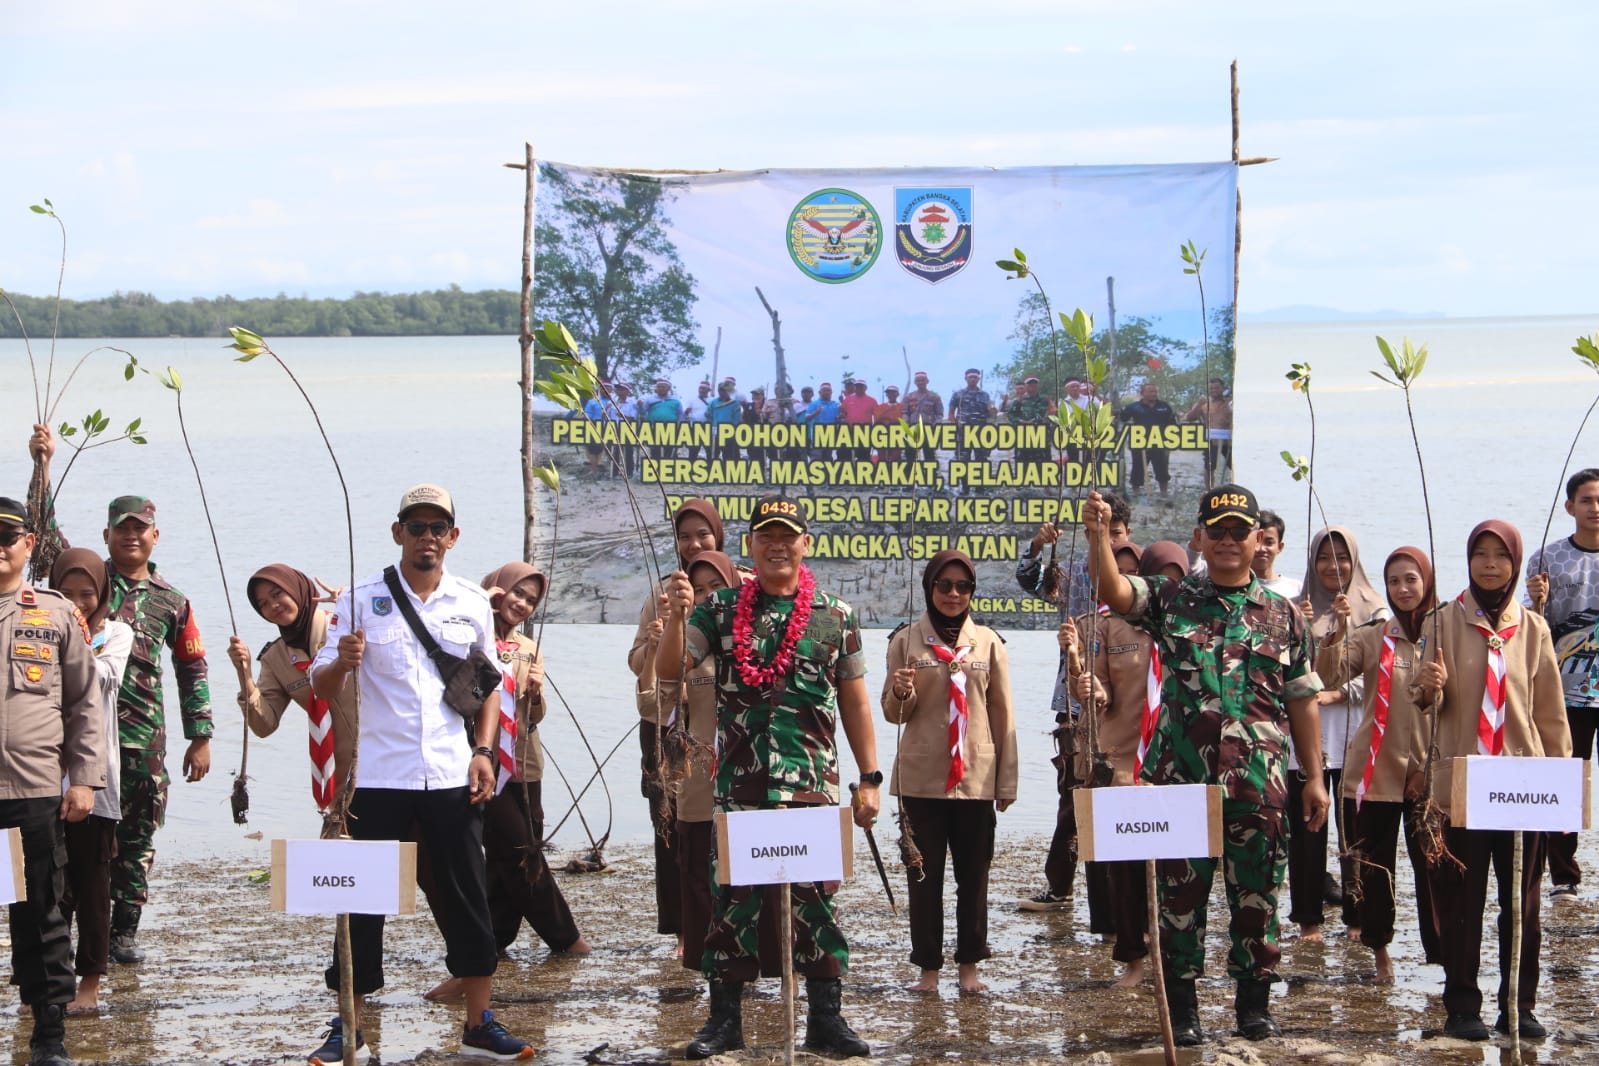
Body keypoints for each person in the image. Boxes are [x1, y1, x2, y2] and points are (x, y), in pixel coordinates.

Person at [1086, 484, 1328, 1045]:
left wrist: (1313, 777)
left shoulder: (1283, 615)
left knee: (1258, 897)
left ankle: (1253, 1007)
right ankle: (1184, 1009)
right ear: (1199, 537)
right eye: (1215, 531)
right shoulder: (1172, 599)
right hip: (1182, 780)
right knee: (1179, 901)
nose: (1227, 541)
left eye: (1238, 532)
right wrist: (1099, 534)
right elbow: (1114, 590)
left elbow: (1302, 697)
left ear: (1256, 540)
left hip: (1260, 784)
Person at [304, 484, 533, 1063]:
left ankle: (479, 1023)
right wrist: (343, 663)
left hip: (452, 773)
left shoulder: (470, 603)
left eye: (438, 528)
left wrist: (484, 751)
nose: (426, 537)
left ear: (452, 538)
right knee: (362, 902)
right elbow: (320, 686)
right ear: (397, 532)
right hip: (379, 775)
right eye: (416, 526)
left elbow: (486, 686)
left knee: (466, 895)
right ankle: (347, 1026)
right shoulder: (360, 600)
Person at [657, 495, 881, 1059]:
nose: (777, 545)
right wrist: (678, 617)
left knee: (816, 903)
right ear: (751, 546)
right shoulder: (720, 609)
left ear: (806, 544)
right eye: (766, 537)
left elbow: (855, 703)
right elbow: (668, 671)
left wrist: (870, 778)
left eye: (788, 537)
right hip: (741, 788)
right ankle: (723, 1022)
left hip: (811, 788)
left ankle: (826, 1021)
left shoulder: (837, 615)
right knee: (733, 902)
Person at [30, 422, 214, 967]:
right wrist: (42, 463)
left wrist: (200, 736)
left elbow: (192, 668)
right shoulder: (82, 580)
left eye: (141, 528)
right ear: (107, 534)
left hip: (142, 741)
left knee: (136, 841)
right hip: (77, 737)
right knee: (71, 835)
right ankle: (62, 931)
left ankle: (122, 932)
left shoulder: (171, 600)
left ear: (155, 536)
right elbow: (41, 532)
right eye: (122, 528)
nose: (132, 536)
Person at [1415, 520, 1570, 1042]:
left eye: (1500, 556)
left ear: (1515, 564)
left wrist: (1563, 787)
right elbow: (1422, 701)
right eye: (1480, 554)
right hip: (1463, 783)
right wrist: (1428, 686)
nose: (1489, 564)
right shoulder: (1442, 622)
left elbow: (1550, 714)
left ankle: (1517, 1004)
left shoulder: (1533, 628)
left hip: (1523, 784)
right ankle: (1461, 1005)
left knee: (1521, 901)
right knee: (1462, 898)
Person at [636, 551, 778, 983]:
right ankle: (710, 970)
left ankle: (758, 964)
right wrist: (663, 641)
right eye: (697, 590)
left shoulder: (759, 635)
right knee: (698, 875)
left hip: (751, 777)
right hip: (699, 781)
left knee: (754, 875)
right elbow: (652, 703)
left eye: (716, 586)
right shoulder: (684, 644)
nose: (707, 596)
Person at [0, 497, 106, 1066]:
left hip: (32, 792)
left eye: (6, 535)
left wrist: (85, 779)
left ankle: (48, 1037)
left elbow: (86, 702)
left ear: (27, 543)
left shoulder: (56, 613)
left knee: (39, 916)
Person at [882, 550, 1016, 994]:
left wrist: (1007, 779)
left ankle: (970, 968)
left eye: (963, 587)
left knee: (974, 878)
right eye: (945, 586)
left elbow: (1002, 714)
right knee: (923, 879)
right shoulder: (906, 642)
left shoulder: (989, 643)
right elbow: (893, 714)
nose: (954, 594)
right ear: (929, 589)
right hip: (921, 780)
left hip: (976, 778)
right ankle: (928, 970)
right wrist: (901, 692)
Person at [1314, 546, 1442, 983]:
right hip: (1372, 772)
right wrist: (1337, 628)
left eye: (1411, 579)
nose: (1403, 589)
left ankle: (1444, 958)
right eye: (1394, 582)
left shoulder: (1444, 636)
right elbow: (1328, 676)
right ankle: (1380, 953)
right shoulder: (1373, 636)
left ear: (1426, 582)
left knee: (1435, 869)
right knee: (1372, 869)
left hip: (1431, 773)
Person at [1067, 541, 1191, 988]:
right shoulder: (1107, 628)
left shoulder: (1196, 627)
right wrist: (1092, 690)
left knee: (1179, 875)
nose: (1167, 587)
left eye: (1176, 579)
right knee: (1126, 872)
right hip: (1124, 762)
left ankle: (1174, 962)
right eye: (1161, 577)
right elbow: (1096, 688)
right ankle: (1135, 960)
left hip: (1178, 766)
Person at [1013, 495, 1133, 914]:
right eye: (1097, 533)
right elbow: (1030, 581)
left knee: (1122, 796)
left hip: (1129, 710)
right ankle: (1060, 887)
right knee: (1072, 796)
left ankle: (1121, 896)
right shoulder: (1077, 575)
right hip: (1075, 702)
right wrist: (1037, 547)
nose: (1107, 540)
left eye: (1114, 534)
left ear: (1127, 535)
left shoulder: (1137, 581)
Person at [470, 564, 588, 965]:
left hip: (524, 763)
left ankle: (493, 938)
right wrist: (478, 607)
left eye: (530, 600)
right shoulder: (468, 634)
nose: (520, 603)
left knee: (510, 853)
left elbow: (534, 717)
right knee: (522, 850)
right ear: (496, 589)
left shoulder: (528, 648)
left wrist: (535, 693)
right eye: (515, 592)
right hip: (481, 763)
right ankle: (566, 936)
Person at [1290, 527, 1385, 941]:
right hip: (1303, 742)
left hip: (1354, 736)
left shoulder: (1376, 610)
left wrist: (1339, 692)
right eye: (1324, 558)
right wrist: (1301, 630)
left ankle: (1357, 916)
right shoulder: (1295, 609)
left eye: (1342, 558)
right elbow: (1280, 671)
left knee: (1355, 834)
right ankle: (1308, 917)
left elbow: (1382, 674)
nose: (1333, 566)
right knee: (1307, 833)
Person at [47, 549, 131, 1016]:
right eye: (66, 593)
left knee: (94, 886)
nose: (78, 602)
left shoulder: (116, 634)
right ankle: (40, 982)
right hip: (39, 777)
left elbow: (101, 676)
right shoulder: (38, 627)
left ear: (102, 595)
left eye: (87, 594)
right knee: (43, 888)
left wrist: (69, 636)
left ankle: (90, 984)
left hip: (96, 781)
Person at [1525, 467, 1599, 901]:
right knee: (1566, 778)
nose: (1595, 508)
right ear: (1570, 506)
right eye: (1587, 500)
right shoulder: (1548, 559)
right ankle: (1564, 876)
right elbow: (1532, 626)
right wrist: (1537, 600)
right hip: (1567, 690)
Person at [229, 566, 353, 814]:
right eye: (263, 603)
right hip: (335, 779)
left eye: (277, 594)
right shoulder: (275, 658)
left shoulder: (343, 627)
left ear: (298, 591)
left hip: (384, 765)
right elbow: (264, 725)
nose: (273, 605)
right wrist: (245, 676)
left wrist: (353, 603)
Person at [1119, 382, 1178, 499]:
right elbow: (1123, 417)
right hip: (1139, 442)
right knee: (1137, 467)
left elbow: (1172, 425)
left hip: (1160, 442)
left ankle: (1163, 492)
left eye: (1155, 391)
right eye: (1150, 391)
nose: (1153, 394)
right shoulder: (1134, 406)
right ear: (1143, 393)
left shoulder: (1165, 406)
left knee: (1162, 468)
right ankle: (1136, 492)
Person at [1183, 378, 1234, 485]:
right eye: (1211, 388)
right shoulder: (1204, 404)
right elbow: (1189, 418)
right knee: (1209, 466)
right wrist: (1198, 405)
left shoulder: (1230, 402)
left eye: (1216, 388)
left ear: (1223, 388)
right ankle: (1209, 490)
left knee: (1234, 465)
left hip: (1229, 440)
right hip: (1211, 440)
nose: (1214, 390)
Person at [948, 368, 994, 465]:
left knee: (982, 460)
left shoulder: (985, 395)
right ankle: (964, 480)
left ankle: (980, 479)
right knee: (962, 461)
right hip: (963, 433)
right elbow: (951, 412)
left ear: (978, 379)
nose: (973, 379)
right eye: (970, 377)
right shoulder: (958, 394)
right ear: (966, 378)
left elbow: (990, 412)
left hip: (981, 433)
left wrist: (994, 411)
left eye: (975, 377)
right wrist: (953, 425)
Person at [1252, 510, 1300, 599]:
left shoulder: (1296, 589)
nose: (1261, 548)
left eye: (1269, 543)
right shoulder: (1237, 587)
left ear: (1280, 547)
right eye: (1256, 541)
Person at [1007, 376, 1053, 466]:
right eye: (1029, 384)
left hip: (1040, 435)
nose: (1032, 386)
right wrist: (1019, 421)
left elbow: (1045, 413)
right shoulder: (1018, 401)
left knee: (1043, 464)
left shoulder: (1044, 399)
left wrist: (1034, 420)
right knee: (1022, 464)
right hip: (1023, 435)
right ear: (1025, 386)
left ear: (1038, 385)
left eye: (1034, 384)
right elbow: (1011, 415)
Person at [901, 371, 944, 463]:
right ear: (915, 382)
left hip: (929, 429)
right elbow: (904, 412)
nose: (920, 382)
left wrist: (936, 425)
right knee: (910, 454)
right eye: (918, 380)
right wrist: (906, 424)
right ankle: (910, 474)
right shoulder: (909, 397)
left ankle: (930, 474)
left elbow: (939, 414)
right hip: (913, 428)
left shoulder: (934, 397)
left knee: (929, 454)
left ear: (927, 381)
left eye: (922, 380)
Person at [644, 379, 685, 463]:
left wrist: (679, 426)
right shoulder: (649, 400)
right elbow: (643, 412)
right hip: (653, 427)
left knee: (669, 448)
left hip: (671, 428)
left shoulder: (676, 401)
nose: (660, 388)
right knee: (655, 448)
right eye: (658, 387)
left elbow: (681, 415)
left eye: (663, 387)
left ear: (669, 389)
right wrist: (640, 406)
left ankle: (667, 469)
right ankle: (656, 469)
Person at [706, 380, 743, 462]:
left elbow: (736, 419)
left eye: (724, 390)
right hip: (715, 433)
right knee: (713, 455)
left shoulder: (735, 403)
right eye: (720, 390)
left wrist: (732, 429)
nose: (722, 392)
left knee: (728, 456)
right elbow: (709, 415)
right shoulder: (713, 403)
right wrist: (711, 424)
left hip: (728, 433)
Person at [873, 385, 905, 462]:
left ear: (897, 394)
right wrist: (888, 411)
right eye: (889, 393)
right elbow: (877, 418)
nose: (891, 395)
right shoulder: (881, 407)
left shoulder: (902, 407)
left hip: (896, 433)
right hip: (882, 433)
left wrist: (888, 418)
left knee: (896, 455)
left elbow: (901, 419)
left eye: (893, 393)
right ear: (886, 395)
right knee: (882, 456)